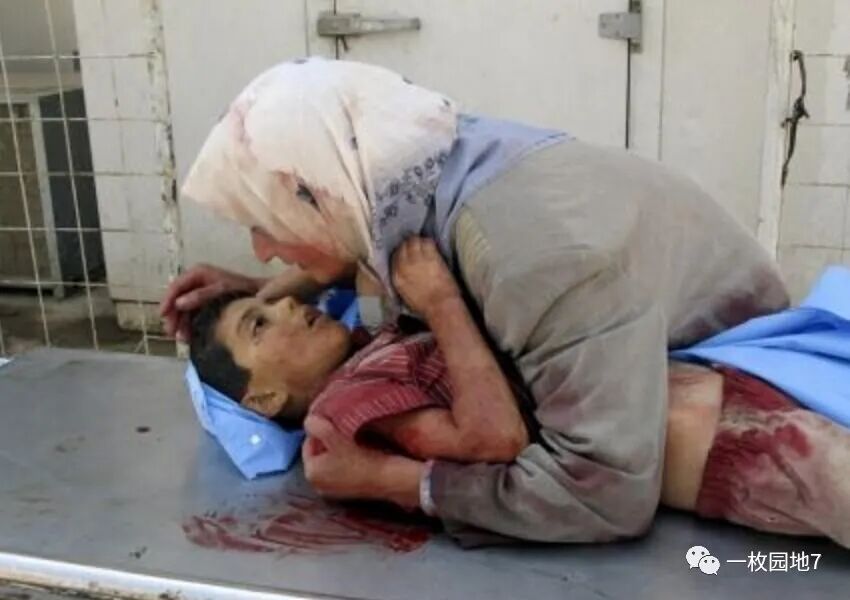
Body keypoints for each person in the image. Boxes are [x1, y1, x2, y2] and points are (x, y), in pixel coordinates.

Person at [162, 57, 789, 543]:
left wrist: (396, 481)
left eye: (264, 222)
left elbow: (604, 494)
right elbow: (389, 253)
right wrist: (263, 291)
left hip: (753, 384)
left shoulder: (528, 260)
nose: (262, 251)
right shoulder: (423, 161)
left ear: (321, 194)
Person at [187, 240, 850, 549]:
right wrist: (443, 303)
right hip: (728, 450)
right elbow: (491, 439)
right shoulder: (346, 411)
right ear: (263, 400)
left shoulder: (371, 343)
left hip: (730, 389)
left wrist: (263, 287)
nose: (288, 310)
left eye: (274, 305)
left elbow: (345, 258)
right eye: (259, 326)